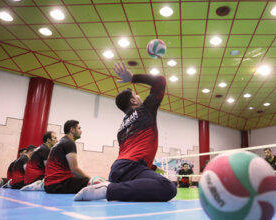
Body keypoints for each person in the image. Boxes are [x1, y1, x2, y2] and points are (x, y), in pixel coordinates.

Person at [74, 62, 177, 201]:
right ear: (133, 100)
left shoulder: (121, 128)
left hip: (117, 170)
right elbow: (160, 81)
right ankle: (108, 190)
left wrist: (150, 167)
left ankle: (110, 186)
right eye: (136, 94)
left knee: (152, 183)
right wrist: (133, 77)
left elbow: (131, 151)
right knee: (168, 187)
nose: (139, 96)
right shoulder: (145, 110)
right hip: (131, 168)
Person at [44, 120, 91, 194]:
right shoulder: (69, 143)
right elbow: (74, 170)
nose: (81, 131)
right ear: (72, 129)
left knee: (80, 179)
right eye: (79, 128)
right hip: (58, 185)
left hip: (48, 185)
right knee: (92, 183)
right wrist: (90, 179)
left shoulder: (60, 142)